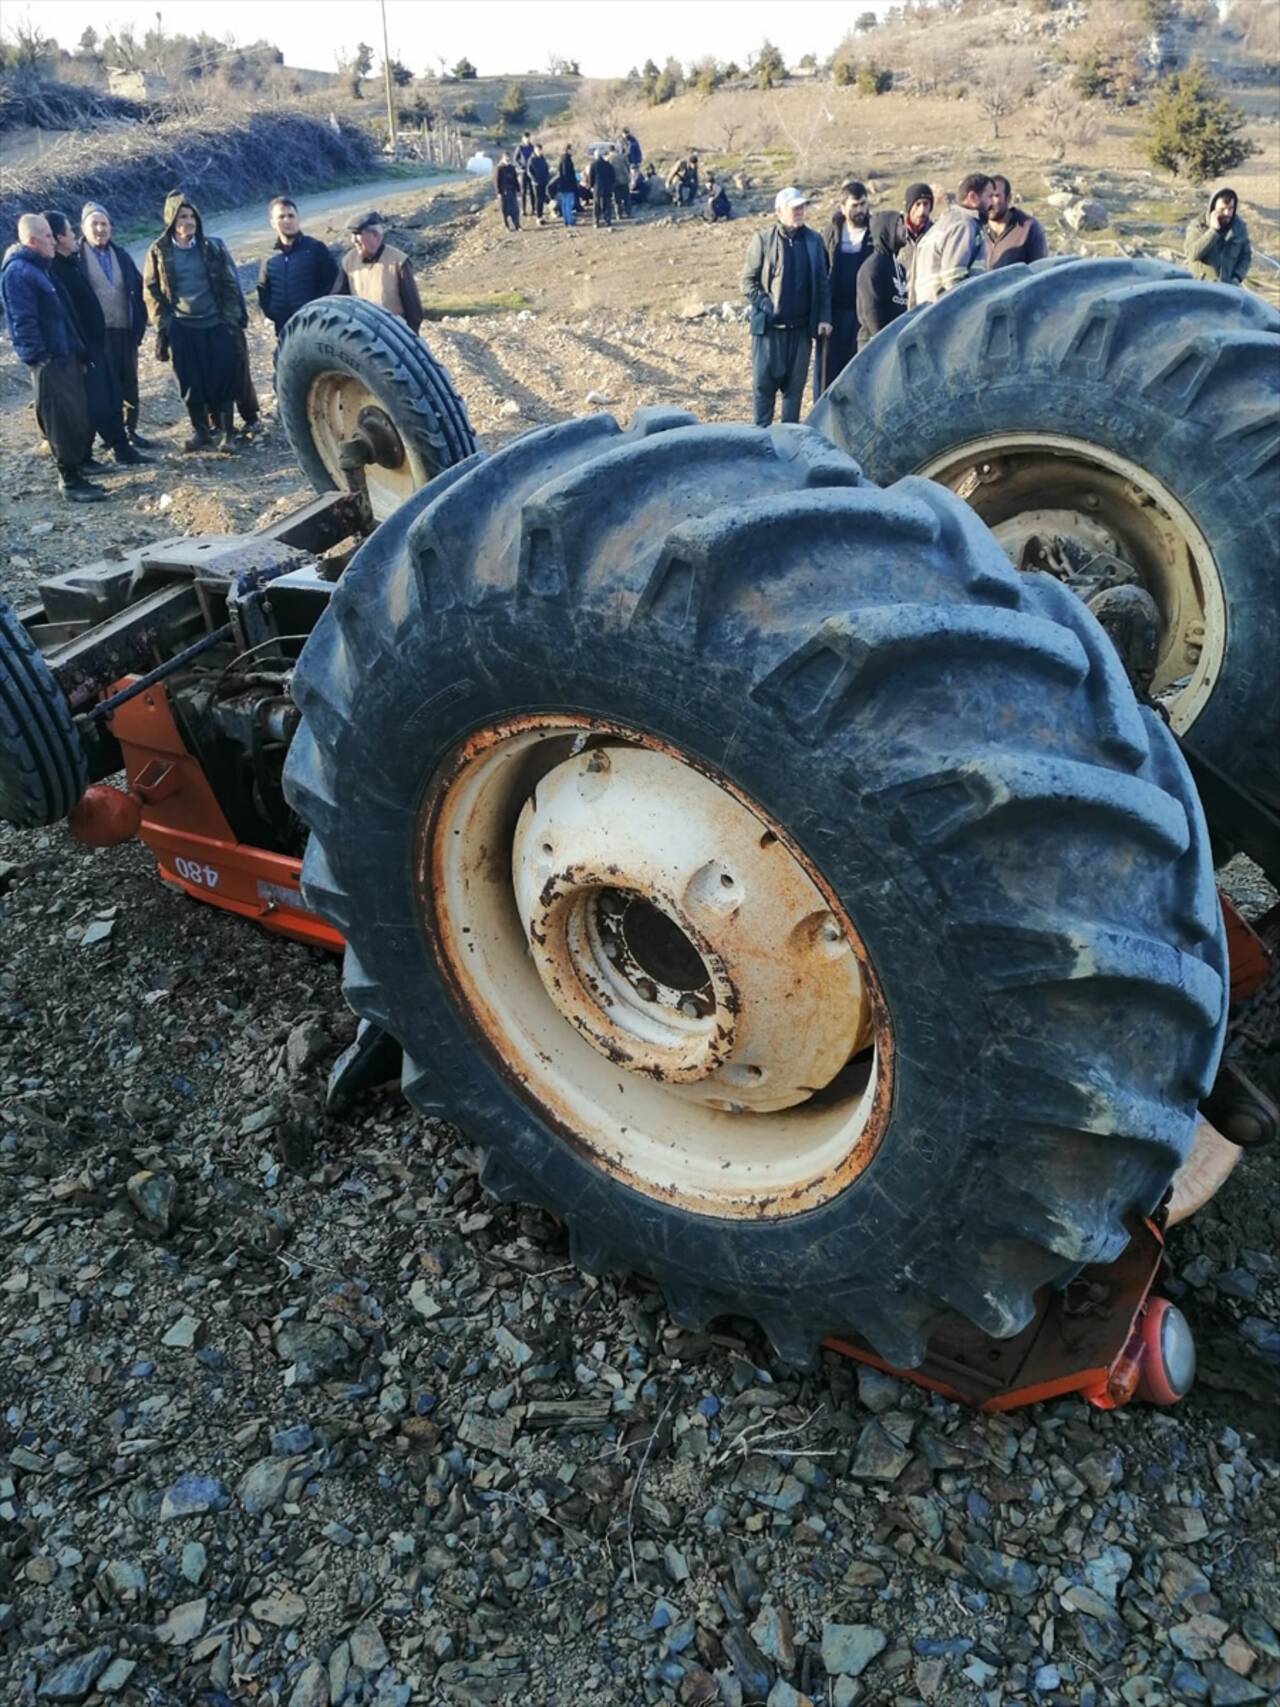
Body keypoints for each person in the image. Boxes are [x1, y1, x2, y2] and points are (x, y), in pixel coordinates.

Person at [1, 213, 103, 501]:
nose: (53, 240)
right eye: (47, 236)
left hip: (65, 355)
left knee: (74, 415)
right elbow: (23, 322)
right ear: (32, 241)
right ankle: (69, 480)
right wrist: (41, 358)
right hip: (51, 361)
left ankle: (78, 470)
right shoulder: (19, 272)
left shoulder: (40, 268)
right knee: (60, 419)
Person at [142, 191, 243, 452]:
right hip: (183, 327)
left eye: (191, 216)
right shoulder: (159, 251)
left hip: (215, 323)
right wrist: (165, 323)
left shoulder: (211, 247)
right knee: (189, 383)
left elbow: (228, 283)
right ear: (171, 221)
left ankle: (228, 435)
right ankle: (201, 433)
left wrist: (229, 318)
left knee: (224, 378)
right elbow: (151, 289)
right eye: (182, 216)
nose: (188, 221)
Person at [45, 211, 146, 467]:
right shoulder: (58, 269)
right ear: (58, 238)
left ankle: (122, 447)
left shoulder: (69, 262)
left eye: (105, 223)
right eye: (70, 231)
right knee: (96, 402)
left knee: (111, 395)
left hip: (97, 342)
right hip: (84, 347)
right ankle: (86, 456)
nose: (72, 235)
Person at [740, 186, 832, 427]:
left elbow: (823, 284)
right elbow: (747, 282)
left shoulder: (814, 241)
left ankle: (788, 453)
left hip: (801, 333)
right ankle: (760, 450)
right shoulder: (762, 241)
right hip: (769, 333)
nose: (800, 211)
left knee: (794, 395)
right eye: (794, 208)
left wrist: (824, 318)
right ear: (779, 212)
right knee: (763, 394)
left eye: (802, 207)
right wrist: (764, 302)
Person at [78, 201, 150, 448]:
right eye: (94, 224)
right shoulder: (77, 259)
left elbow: (139, 291)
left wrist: (139, 326)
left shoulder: (121, 255)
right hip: (97, 337)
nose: (100, 229)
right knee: (104, 388)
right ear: (83, 228)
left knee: (129, 382)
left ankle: (130, 431)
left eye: (104, 224)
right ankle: (111, 436)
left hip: (125, 332)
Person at [814, 181, 872, 399]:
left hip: (863, 317)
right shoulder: (831, 234)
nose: (860, 210)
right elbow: (822, 278)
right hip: (835, 317)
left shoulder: (874, 233)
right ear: (842, 207)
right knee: (829, 376)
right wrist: (823, 316)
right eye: (855, 205)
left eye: (863, 205)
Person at [257, 195, 339, 338]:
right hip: (284, 331)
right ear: (272, 223)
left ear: (298, 219)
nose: (287, 220)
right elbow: (263, 290)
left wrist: (317, 312)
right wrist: (274, 312)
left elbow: (333, 283)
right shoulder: (269, 258)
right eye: (281, 217)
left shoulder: (315, 249)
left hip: (316, 330)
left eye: (291, 215)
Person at [329, 212, 424, 330]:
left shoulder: (398, 262)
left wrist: (407, 339)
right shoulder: (348, 261)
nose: (353, 240)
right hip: (363, 334)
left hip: (393, 333)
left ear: (375, 235)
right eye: (352, 234)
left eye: (357, 234)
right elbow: (337, 300)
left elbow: (414, 312)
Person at [910, 172, 993, 306]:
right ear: (973, 197)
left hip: (927, 316)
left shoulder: (938, 227)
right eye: (989, 196)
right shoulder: (964, 225)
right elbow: (954, 279)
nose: (992, 203)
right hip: (948, 316)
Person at [855, 211, 910, 351]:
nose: (904, 229)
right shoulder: (872, 267)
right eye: (898, 225)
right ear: (886, 230)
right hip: (875, 346)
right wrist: (881, 342)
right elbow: (871, 310)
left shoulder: (899, 268)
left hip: (895, 342)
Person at [1185, 187, 1251, 285]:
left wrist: (1237, 277)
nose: (1227, 213)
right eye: (1222, 209)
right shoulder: (1197, 226)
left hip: (1228, 288)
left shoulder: (1239, 227)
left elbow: (1246, 255)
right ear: (1213, 208)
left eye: (1230, 209)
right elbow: (1191, 255)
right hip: (1201, 287)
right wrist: (1213, 231)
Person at [984, 175, 1047, 269]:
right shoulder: (975, 230)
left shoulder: (1028, 228)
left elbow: (1039, 271)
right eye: (987, 196)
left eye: (996, 196)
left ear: (1008, 198)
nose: (990, 203)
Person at [587, 151, 615, 229]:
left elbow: (591, 177)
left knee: (596, 205)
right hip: (607, 187)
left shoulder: (593, 165)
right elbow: (613, 176)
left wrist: (591, 186)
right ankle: (608, 221)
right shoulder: (608, 164)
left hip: (597, 188)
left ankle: (596, 222)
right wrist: (611, 184)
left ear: (595, 156)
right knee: (607, 204)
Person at [495, 152, 521, 231]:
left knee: (515, 209)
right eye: (506, 158)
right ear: (503, 158)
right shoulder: (499, 168)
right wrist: (498, 192)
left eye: (508, 157)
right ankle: (507, 226)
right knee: (504, 210)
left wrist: (518, 189)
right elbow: (497, 181)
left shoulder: (512, 168)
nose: (507, 159)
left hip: (512, 191)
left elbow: (515, 179)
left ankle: (517, 225)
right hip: (504, 192)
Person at [528, 144, 551, 223]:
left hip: (543, 181)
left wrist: (547, 177)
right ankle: (538, 217)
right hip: (536, 183)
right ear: (535, 150)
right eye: (538, 150)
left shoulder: (542, 158)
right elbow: (529, 171)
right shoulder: (531, 159)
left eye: (540, 150)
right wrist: (534, 179)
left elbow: (546, 168)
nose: (539, 152)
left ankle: (541, 216)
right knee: (538, 199)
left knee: (542, 198)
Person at [515, 132, 537, 217]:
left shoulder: (532, 147)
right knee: (523, 191)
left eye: (528, 138)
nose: (527, 139)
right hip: (523, 171)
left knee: (532, 191)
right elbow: (515, 159)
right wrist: (520, 166)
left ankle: (533, 209)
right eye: (525, 138)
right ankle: (523, 209)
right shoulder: (520, 148)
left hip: (531, 171)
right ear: (523, 139)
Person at [606, 143, 630, 219]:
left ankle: (619, 215)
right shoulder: (622, 156)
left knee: (617, 199)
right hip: (624, 179)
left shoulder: (608, 158)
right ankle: (628, 213)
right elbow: (628, 166)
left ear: (609, 150)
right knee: (626, 198)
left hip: (615, 181)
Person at [556, 146, 578, 227]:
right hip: (568, 185)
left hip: (562, 185)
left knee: (564, 203)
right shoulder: (567, 160)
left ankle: (566, 220)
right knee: (568, 203)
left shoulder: (561, 159)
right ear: (568, 150)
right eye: (571, 150)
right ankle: (569, 220)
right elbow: (567, 173)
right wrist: (573, 182)